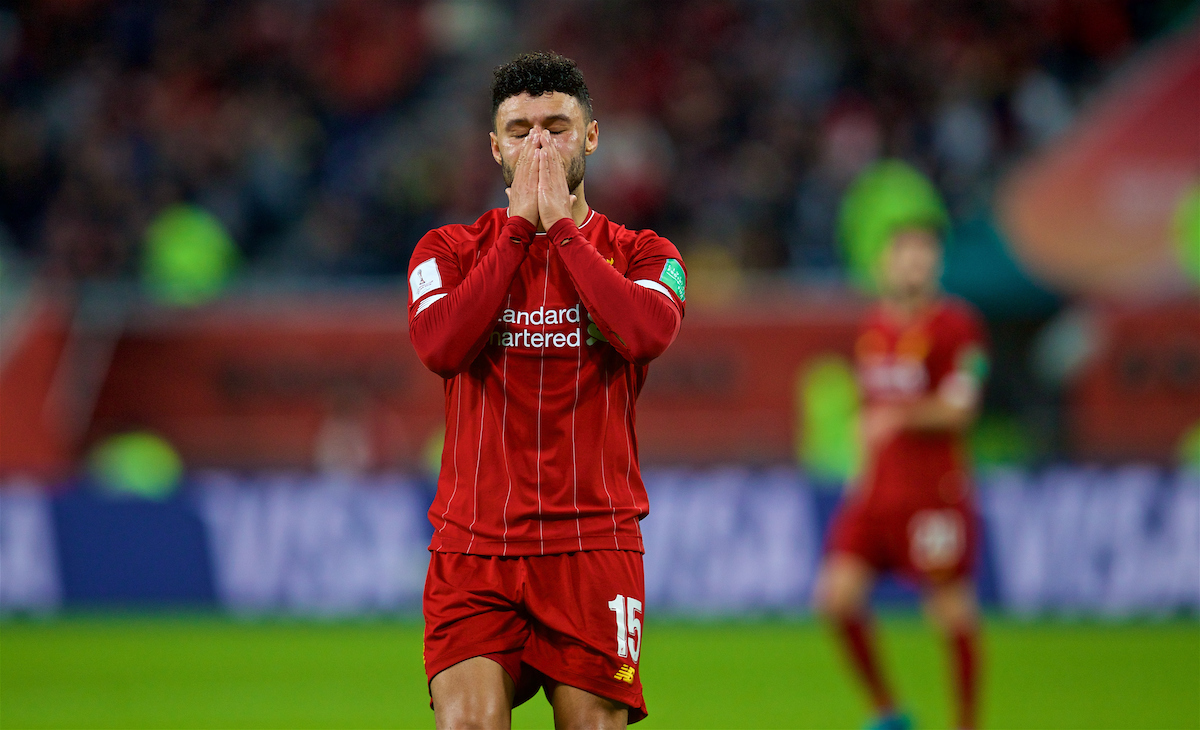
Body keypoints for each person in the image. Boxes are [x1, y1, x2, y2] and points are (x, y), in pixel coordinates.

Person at [407, 52, 686, 729]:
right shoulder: (444, 251)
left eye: (557, 126)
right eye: (521, 128)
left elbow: (647, 332)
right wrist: (516, 233)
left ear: (591, 137)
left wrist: (562, 229)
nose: (539, 143)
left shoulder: (649, 255)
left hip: (594, 549)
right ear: (494, 146)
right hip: (474, 552)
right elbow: (440, 347)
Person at [815, 190, 989, 730]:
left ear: (936, 262)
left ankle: (965, 722)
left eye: (924, 252)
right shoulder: (876, 327)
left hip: (933, 492)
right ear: (885, 262)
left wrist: (899, 417)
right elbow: (869, 414)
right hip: (877, 493)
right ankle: (890, 711)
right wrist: (862, 470)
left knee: (949, 610)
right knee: (835, 597)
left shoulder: (958, 327)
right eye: (904, 252)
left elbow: (960, 411)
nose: (914, 261)